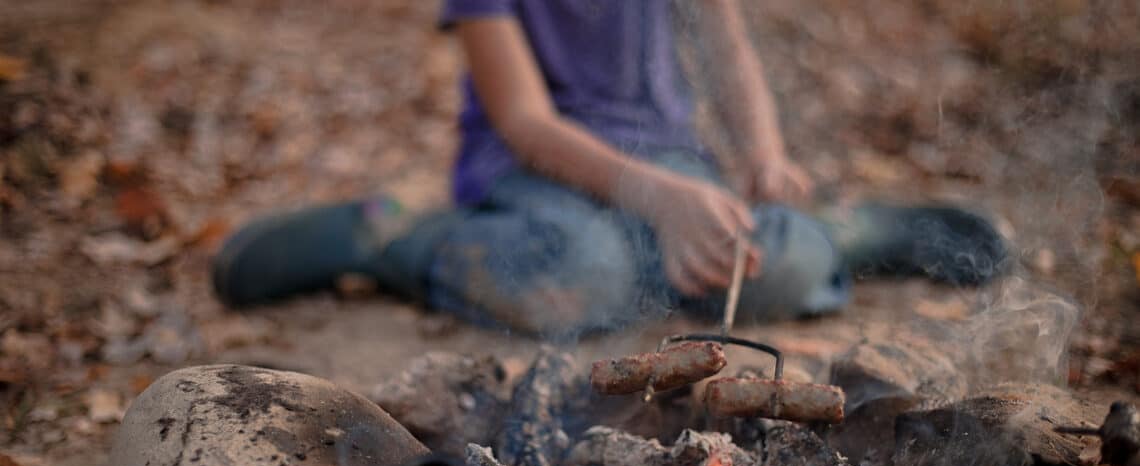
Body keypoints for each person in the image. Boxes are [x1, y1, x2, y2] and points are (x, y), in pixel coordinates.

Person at [210, 0, 1007, 338]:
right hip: (537, 169)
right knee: (576, 282)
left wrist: (764, 153)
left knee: (772, 271)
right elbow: (524, 121)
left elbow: (727, 51)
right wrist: (654, 201)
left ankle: (837, 230)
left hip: (667, 164)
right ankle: (387, 236)